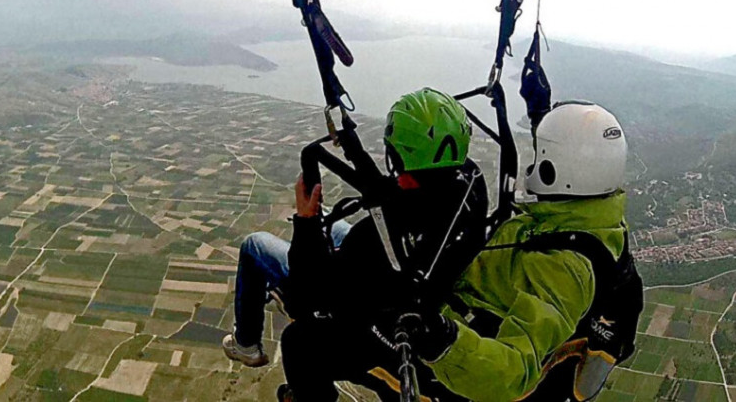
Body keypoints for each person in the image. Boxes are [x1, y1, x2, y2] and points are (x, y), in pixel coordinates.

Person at [280, 96, 642, 401]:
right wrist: (539, 108)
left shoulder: (566, 269)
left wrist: (441, 339)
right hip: (462, 314)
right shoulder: (586, 218)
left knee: (300, 343)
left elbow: (515, 371)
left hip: (451, 369)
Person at [223, 87, 488, 371]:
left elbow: (308, 294)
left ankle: (247, 345)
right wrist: (353, 148)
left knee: (254, 246)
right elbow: (390, 194)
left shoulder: (374, 239)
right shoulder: (467, 186)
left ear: (397, 157)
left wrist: (306, 221)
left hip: (366, 301)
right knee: (333, 221)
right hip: (412, 277)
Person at [221, 222, 351, 367]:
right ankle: (283, 285)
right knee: (325, 222)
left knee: (252, 244)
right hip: (372, 249)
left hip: (347, 285)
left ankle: (246, 344)